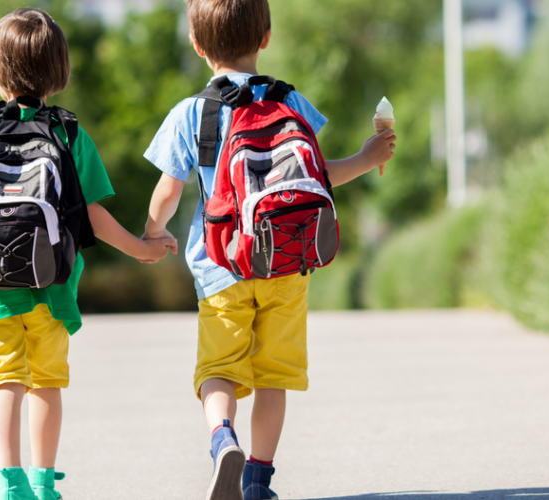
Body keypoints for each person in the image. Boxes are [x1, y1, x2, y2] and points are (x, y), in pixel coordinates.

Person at [141, 1, 397, 499]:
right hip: (285, 261)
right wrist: (367, 157)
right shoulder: (290, 102)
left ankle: (222, 440)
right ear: (266, 37)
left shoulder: (192, 112)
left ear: (196, 45)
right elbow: (319, 177)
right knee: (272, 377)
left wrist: (153, 234)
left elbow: (168, 192)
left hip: (222, 266)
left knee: (218, 371)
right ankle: (258, 481)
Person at [0, 8, 176, 500]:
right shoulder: (68, 134)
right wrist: (141, 248)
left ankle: (9, 482)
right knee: (45, 383)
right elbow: (90, 215)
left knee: (3, 382)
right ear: (60, 72)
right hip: (53, 287)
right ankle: (44, 483)